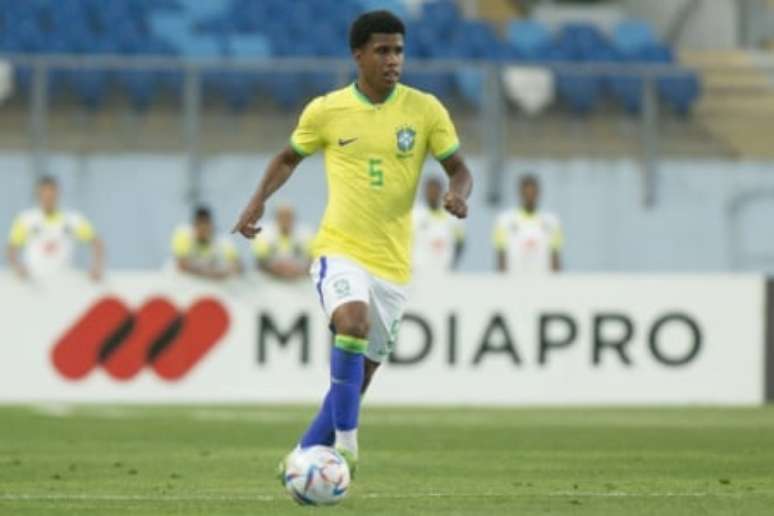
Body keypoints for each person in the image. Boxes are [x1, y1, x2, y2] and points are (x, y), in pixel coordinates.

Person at [231, 10, 473, 478]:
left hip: (394, 267)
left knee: (356, 382)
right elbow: (287, 158)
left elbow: (459, 168)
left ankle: (300, 459)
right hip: (339, 249)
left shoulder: (425, 110)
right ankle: (347, 447)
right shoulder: (326, 110)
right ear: (358, 55)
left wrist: (457, 194)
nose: (393, 60)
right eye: (382, 51)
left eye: (398, 51)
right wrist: (256, 202)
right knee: (352, 321)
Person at [6, 175, 103, 281]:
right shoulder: (26, 219)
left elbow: (96, 243)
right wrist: (17, 267)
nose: (48, 198)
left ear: (58, 193)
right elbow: (11, 248)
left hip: (64, 279)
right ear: (38, 194)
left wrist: (96, 267)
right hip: (34, 280)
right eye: (44, 194)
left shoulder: (73, 219)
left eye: (51, 194)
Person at [493, 174, 562, 274]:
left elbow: (555, 256)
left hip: (543, 282)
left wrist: (556, 283)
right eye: (526, 192)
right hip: (514, 282)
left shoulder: (552, 221)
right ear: (520, 193)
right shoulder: (504, 220)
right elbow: (501, 256)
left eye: (532, 192)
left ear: (538, 193)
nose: (530, 196)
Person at [171, 206, 242, 280]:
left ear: (211, 226)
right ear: (194, 225)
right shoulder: (184, 234)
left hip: (212, 282)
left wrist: (225, 271)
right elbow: (182, 265)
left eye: (205, 226)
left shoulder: (223, 242)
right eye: (200, 225)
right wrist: (211, 273)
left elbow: (238, 267)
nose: (203, 230)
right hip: (186, 281)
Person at [412, 176, 465, 273]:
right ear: (424, 192)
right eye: (430, 190)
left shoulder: (452, 216)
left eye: (435, 190)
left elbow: (460, 243)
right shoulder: (415, 215)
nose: (432, 193)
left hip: (444, 271)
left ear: (441, 192)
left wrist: (452, 264)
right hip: (419, 271)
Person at [252, 204, 312, 281]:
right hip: (271, 280)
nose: (285, 220)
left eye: (288, 217)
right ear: (276, 218)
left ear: (294, 218)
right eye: (282, 217)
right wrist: (279, 269)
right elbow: (260, 262)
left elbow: (313, 260)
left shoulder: (305, 234)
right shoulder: (264, 234)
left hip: (299, 279)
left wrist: (298, 270)